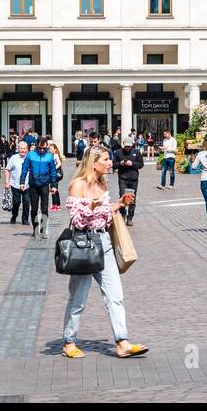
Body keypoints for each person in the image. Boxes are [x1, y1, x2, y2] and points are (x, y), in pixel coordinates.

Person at [60, 144, 149, 360]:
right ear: (94, 162)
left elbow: (105, 216)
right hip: (83, 244)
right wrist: (92, 205)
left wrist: (117, 205)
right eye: (106, 160)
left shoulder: (102, 184)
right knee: (78, 297)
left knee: (115, 295)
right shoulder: (77, 185)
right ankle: (69, 341)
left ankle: (122, 342)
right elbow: (77, 220)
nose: (110, 164)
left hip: (104, 242)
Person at [20, 136, 60, 239]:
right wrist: (22, 182)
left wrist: (54, 185)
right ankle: (35, 229)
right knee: (33, 209)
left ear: (47, 146)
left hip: (44, 185)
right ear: (37, 146)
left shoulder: (49, 156)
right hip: (33, 185)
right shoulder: (31, 155)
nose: (42, 150)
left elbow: (53, 172)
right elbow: (24, 168)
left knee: (44, 209)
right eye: (40, 148)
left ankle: (43, 230)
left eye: (44, 148)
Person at [116, 136, 143, 225]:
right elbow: (113, 164)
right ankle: (123, 214)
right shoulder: (118, 152)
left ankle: (130, 218)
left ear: (132, 145)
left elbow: (141, 164)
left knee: (132, 198)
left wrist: (132, 164)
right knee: (122, 196)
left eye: (129, 146)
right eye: (126, 146)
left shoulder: (137, 152)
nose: (127, 148)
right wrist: (120, 163)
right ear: (123, 144)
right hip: (122, 178)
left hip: (133, 178)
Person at [6, 140, 31, 226]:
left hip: (27, 184)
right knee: (16, 202)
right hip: (15, 184)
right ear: (18, 149)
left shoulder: (29, 158)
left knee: (26, 202)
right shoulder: (13, 158)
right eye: (21, 148)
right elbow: (7, 170)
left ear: (27, 149)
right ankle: (14, 215)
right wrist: (7, 181)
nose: (23, 150)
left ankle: (25, 219)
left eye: (24, 148)